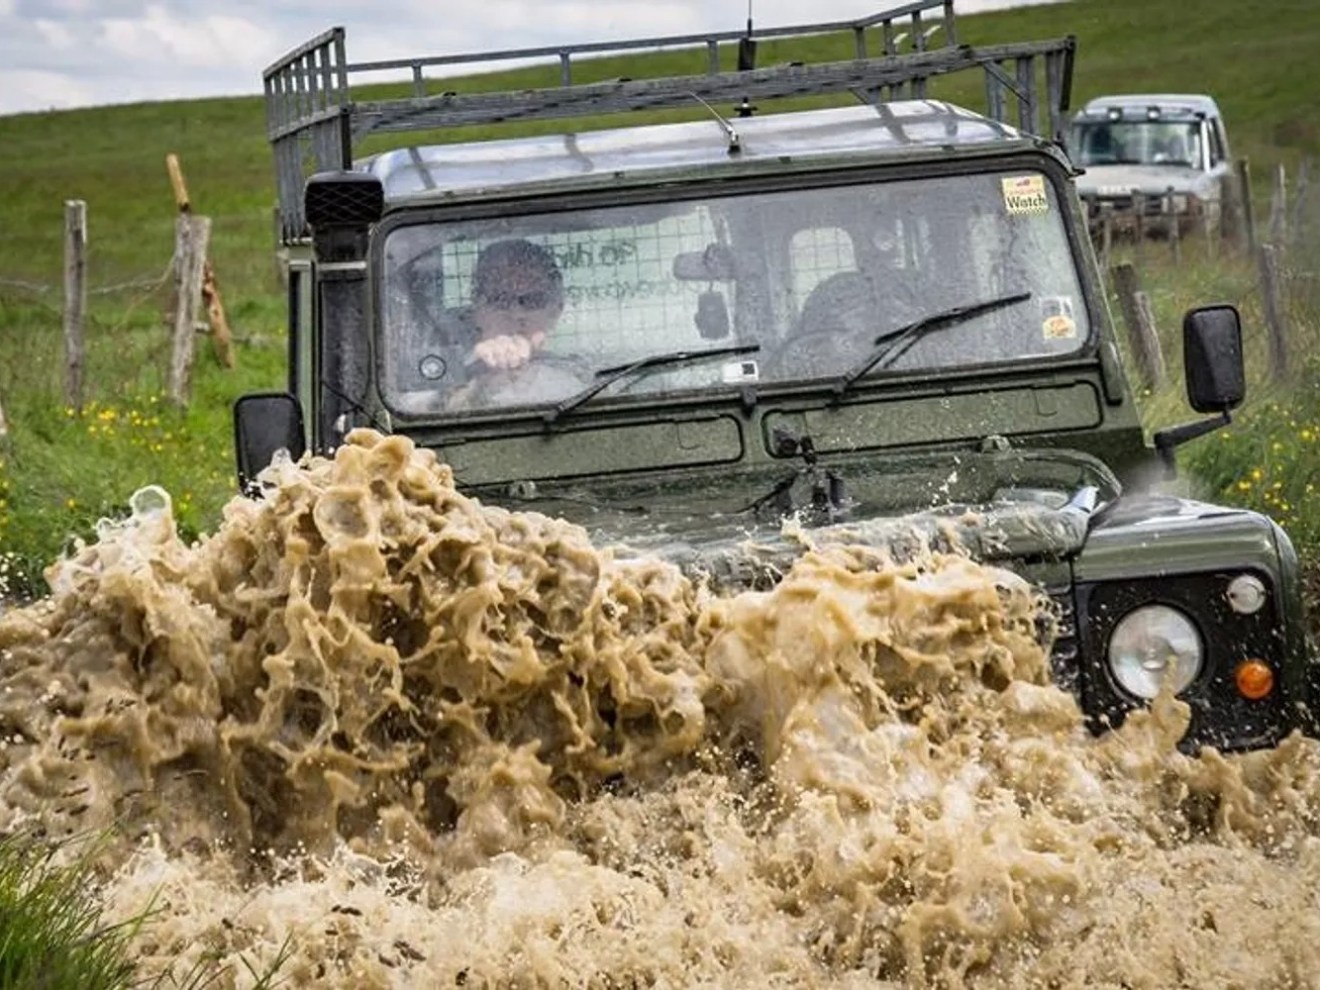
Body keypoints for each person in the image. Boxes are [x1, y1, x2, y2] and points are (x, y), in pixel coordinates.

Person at [467, 238, 565, 371]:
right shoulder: (443, 375)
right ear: (476, 310)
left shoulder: (585, 376)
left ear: (556, 309)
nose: (517, 313)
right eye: (500, 300)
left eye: (532, 301)